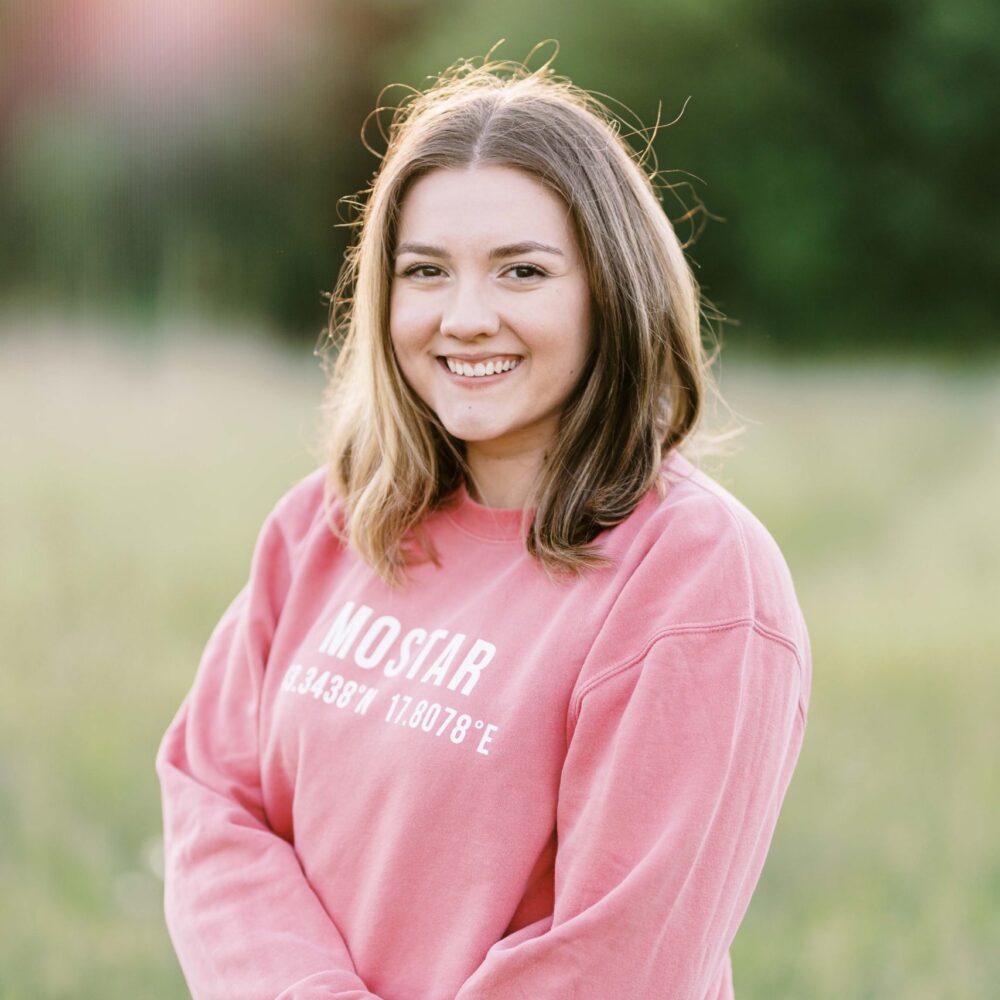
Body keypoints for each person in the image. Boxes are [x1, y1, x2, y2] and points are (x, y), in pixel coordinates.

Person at [156, 48, 811, 1000]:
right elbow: (214, 803)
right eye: (425, 271)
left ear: (610, 292)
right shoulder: (327, 527)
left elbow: (618, 959)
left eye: (522, 271)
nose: (465, 317)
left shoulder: (698, 575)